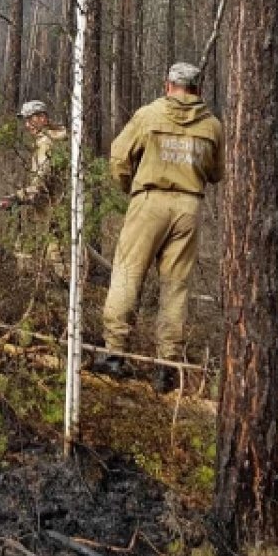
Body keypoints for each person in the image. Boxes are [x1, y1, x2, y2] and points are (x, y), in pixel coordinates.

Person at [94, 62, 224, 393]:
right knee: (176, 287)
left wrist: (132, 189)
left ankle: (113, 355)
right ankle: (167, 366)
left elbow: (118, 155)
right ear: (197, 89)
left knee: (127, 273)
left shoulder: (148, 115)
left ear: (169, 85)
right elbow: (216, 173)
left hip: (149, 200)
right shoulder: (212, 126)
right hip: (188, 207)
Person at [0, 100, 69, 275]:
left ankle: (62, 290)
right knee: (54, 248)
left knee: (52, 252)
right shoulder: (56, 138)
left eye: (30, 119)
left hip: (53, 205)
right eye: (25, 120)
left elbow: (41, 180)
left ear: (43, 118)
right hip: (55, 205)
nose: (27, 124)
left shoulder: (46, 142)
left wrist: (18, 197)